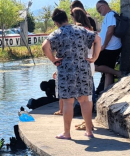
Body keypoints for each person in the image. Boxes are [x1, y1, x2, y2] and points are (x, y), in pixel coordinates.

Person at [42, 9, 101, 139]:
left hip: (65, 69)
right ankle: (89, 131)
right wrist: (95, 56)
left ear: (56, 22)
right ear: (67, 19)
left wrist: (53, 60)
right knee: (84, 100)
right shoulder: (82, 30)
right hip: (83, 67)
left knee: (68, 102)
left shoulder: (56, 33)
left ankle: (67, 133)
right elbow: (98, 39)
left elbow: (44, 46)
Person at [94, 0, 122, 90]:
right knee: (108, 70)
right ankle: (106, 91)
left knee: (94, 66)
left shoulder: (110, 15)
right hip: (111, 46)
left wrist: (104, 45)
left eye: (98, 9)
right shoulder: (110, 15)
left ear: (103, 6)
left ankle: (118, 73)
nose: (98, 11)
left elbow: (110, 31)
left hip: (110, 47)